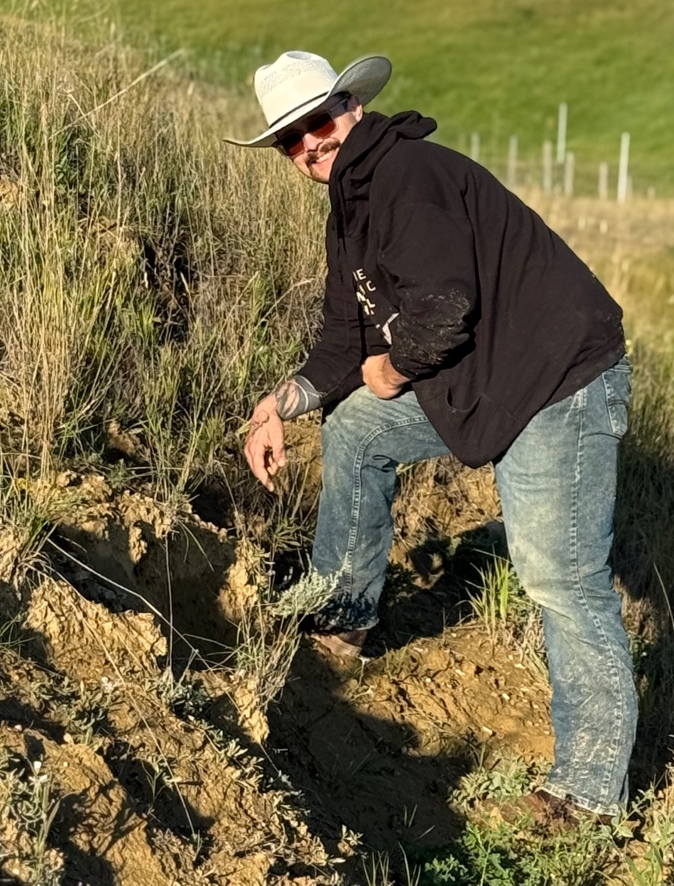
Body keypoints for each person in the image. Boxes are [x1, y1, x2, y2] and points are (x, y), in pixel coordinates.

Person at [227, 49, 636, 826]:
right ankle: (343, 617)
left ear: (349, 106)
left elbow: (444, 311)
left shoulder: (405, 177)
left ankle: (588, 796)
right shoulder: (352, 205)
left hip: (557, 381)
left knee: (560, 577)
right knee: (358, 427)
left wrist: (393, 366)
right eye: (290, 138)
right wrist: (276, 404)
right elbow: (343, 343)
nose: (308, 145)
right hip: (484, 383)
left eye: (316, 122)